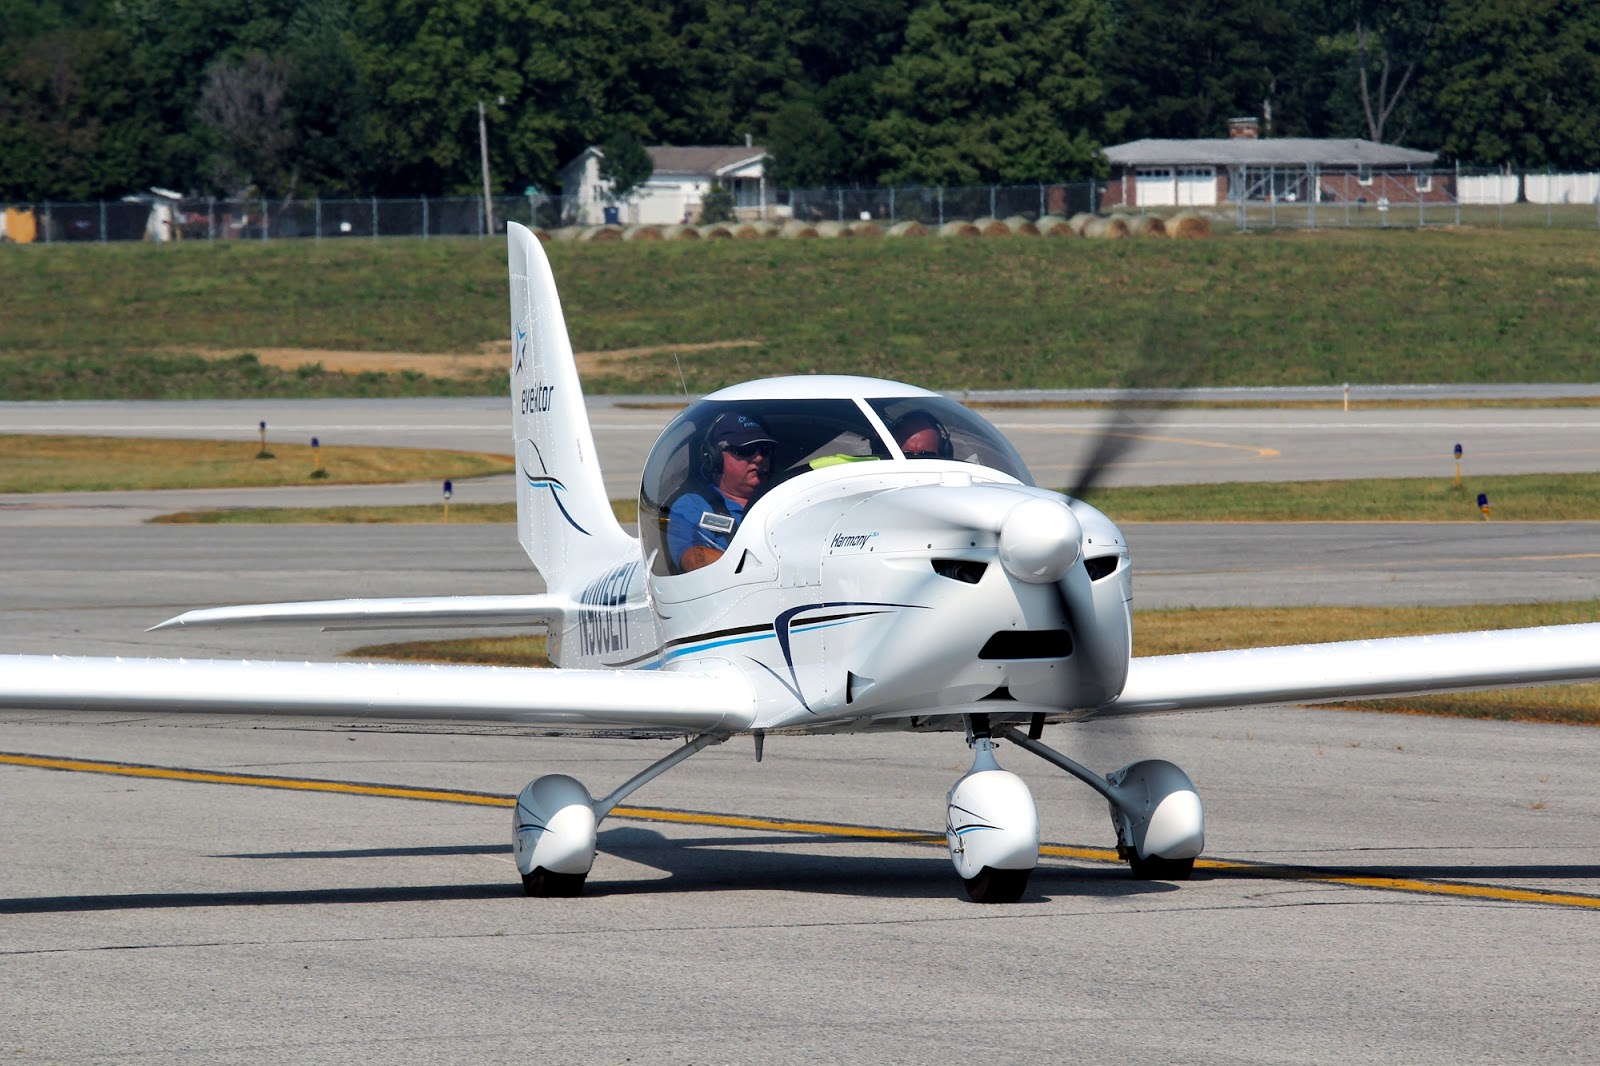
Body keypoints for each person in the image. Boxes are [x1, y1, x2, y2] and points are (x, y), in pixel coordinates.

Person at [665, 412, 776, 573]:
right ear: (715, 458)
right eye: (746, 450)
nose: (759, 458)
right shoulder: (692, 506)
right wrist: (755, 569)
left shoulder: (784, 499)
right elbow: (692, 560)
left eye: (764, 450)